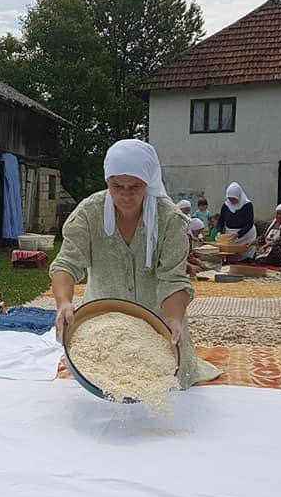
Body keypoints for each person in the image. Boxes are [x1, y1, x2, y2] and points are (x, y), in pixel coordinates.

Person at [50, 139, 221, 388]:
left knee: (162, 385)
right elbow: (67, 262)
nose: (125, 195)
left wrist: (173, 319)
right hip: (103, 327)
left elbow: (173, 279)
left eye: (135, 186)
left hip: (158, 327)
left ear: (149, 182)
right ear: (107, 180)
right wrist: (63, 303)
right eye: (116, 185)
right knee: (108, 383)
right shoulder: (89, 214)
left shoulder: (170, 220)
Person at [219, 182, 256, 261]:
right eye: (230, 198)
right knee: (230, 255)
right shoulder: (226, 206)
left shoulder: (247, 205)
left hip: (246, 235)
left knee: (244, 255)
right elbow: (221, 220)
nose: (231, 201)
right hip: (231, 235)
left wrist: (238, 234)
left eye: (234, 199)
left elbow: (249, 223)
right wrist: (219, 232)